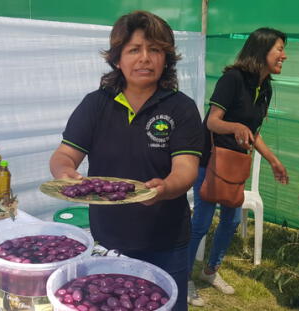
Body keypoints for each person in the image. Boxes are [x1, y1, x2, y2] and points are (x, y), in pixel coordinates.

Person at [49, 11, 203, 311]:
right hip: (109, 240)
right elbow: (65, 155)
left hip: (166, 241)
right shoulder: (96, 104)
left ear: (166, 59)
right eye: (134, 50)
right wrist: (64, 172)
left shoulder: (181, 108)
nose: (145, 58)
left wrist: (165, 188)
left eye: (155, 50)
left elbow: (186, 169)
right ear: (117, 59)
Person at [186, 27, 289, 307]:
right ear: (261, 50)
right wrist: (236, 126)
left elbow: (254, 133)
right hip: (211, 161)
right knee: (201, 223)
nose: (284, 55)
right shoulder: (232, 79)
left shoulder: (265, 87)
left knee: (231, 221)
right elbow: (212, 122)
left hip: (235, 165)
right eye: (279, 49)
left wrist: (273, 161)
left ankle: (210, 271)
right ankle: (183, 278)